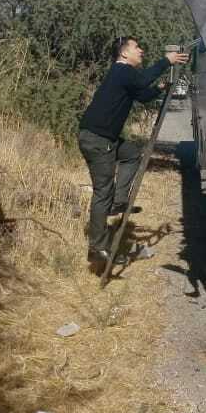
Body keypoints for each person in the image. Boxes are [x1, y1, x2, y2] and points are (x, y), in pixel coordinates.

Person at [78, 36, 188, 274]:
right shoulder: (122, 70)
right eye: (136, 47)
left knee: (131, 154)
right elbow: (143, 78)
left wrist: (160, 88)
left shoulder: (125, 76)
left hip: (104, 138)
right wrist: (166, 61)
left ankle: (117, 202)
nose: (141, 50)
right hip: (98, 140)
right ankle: (97, 247)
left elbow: (143, 94)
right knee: (102, 191)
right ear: (124, 53)